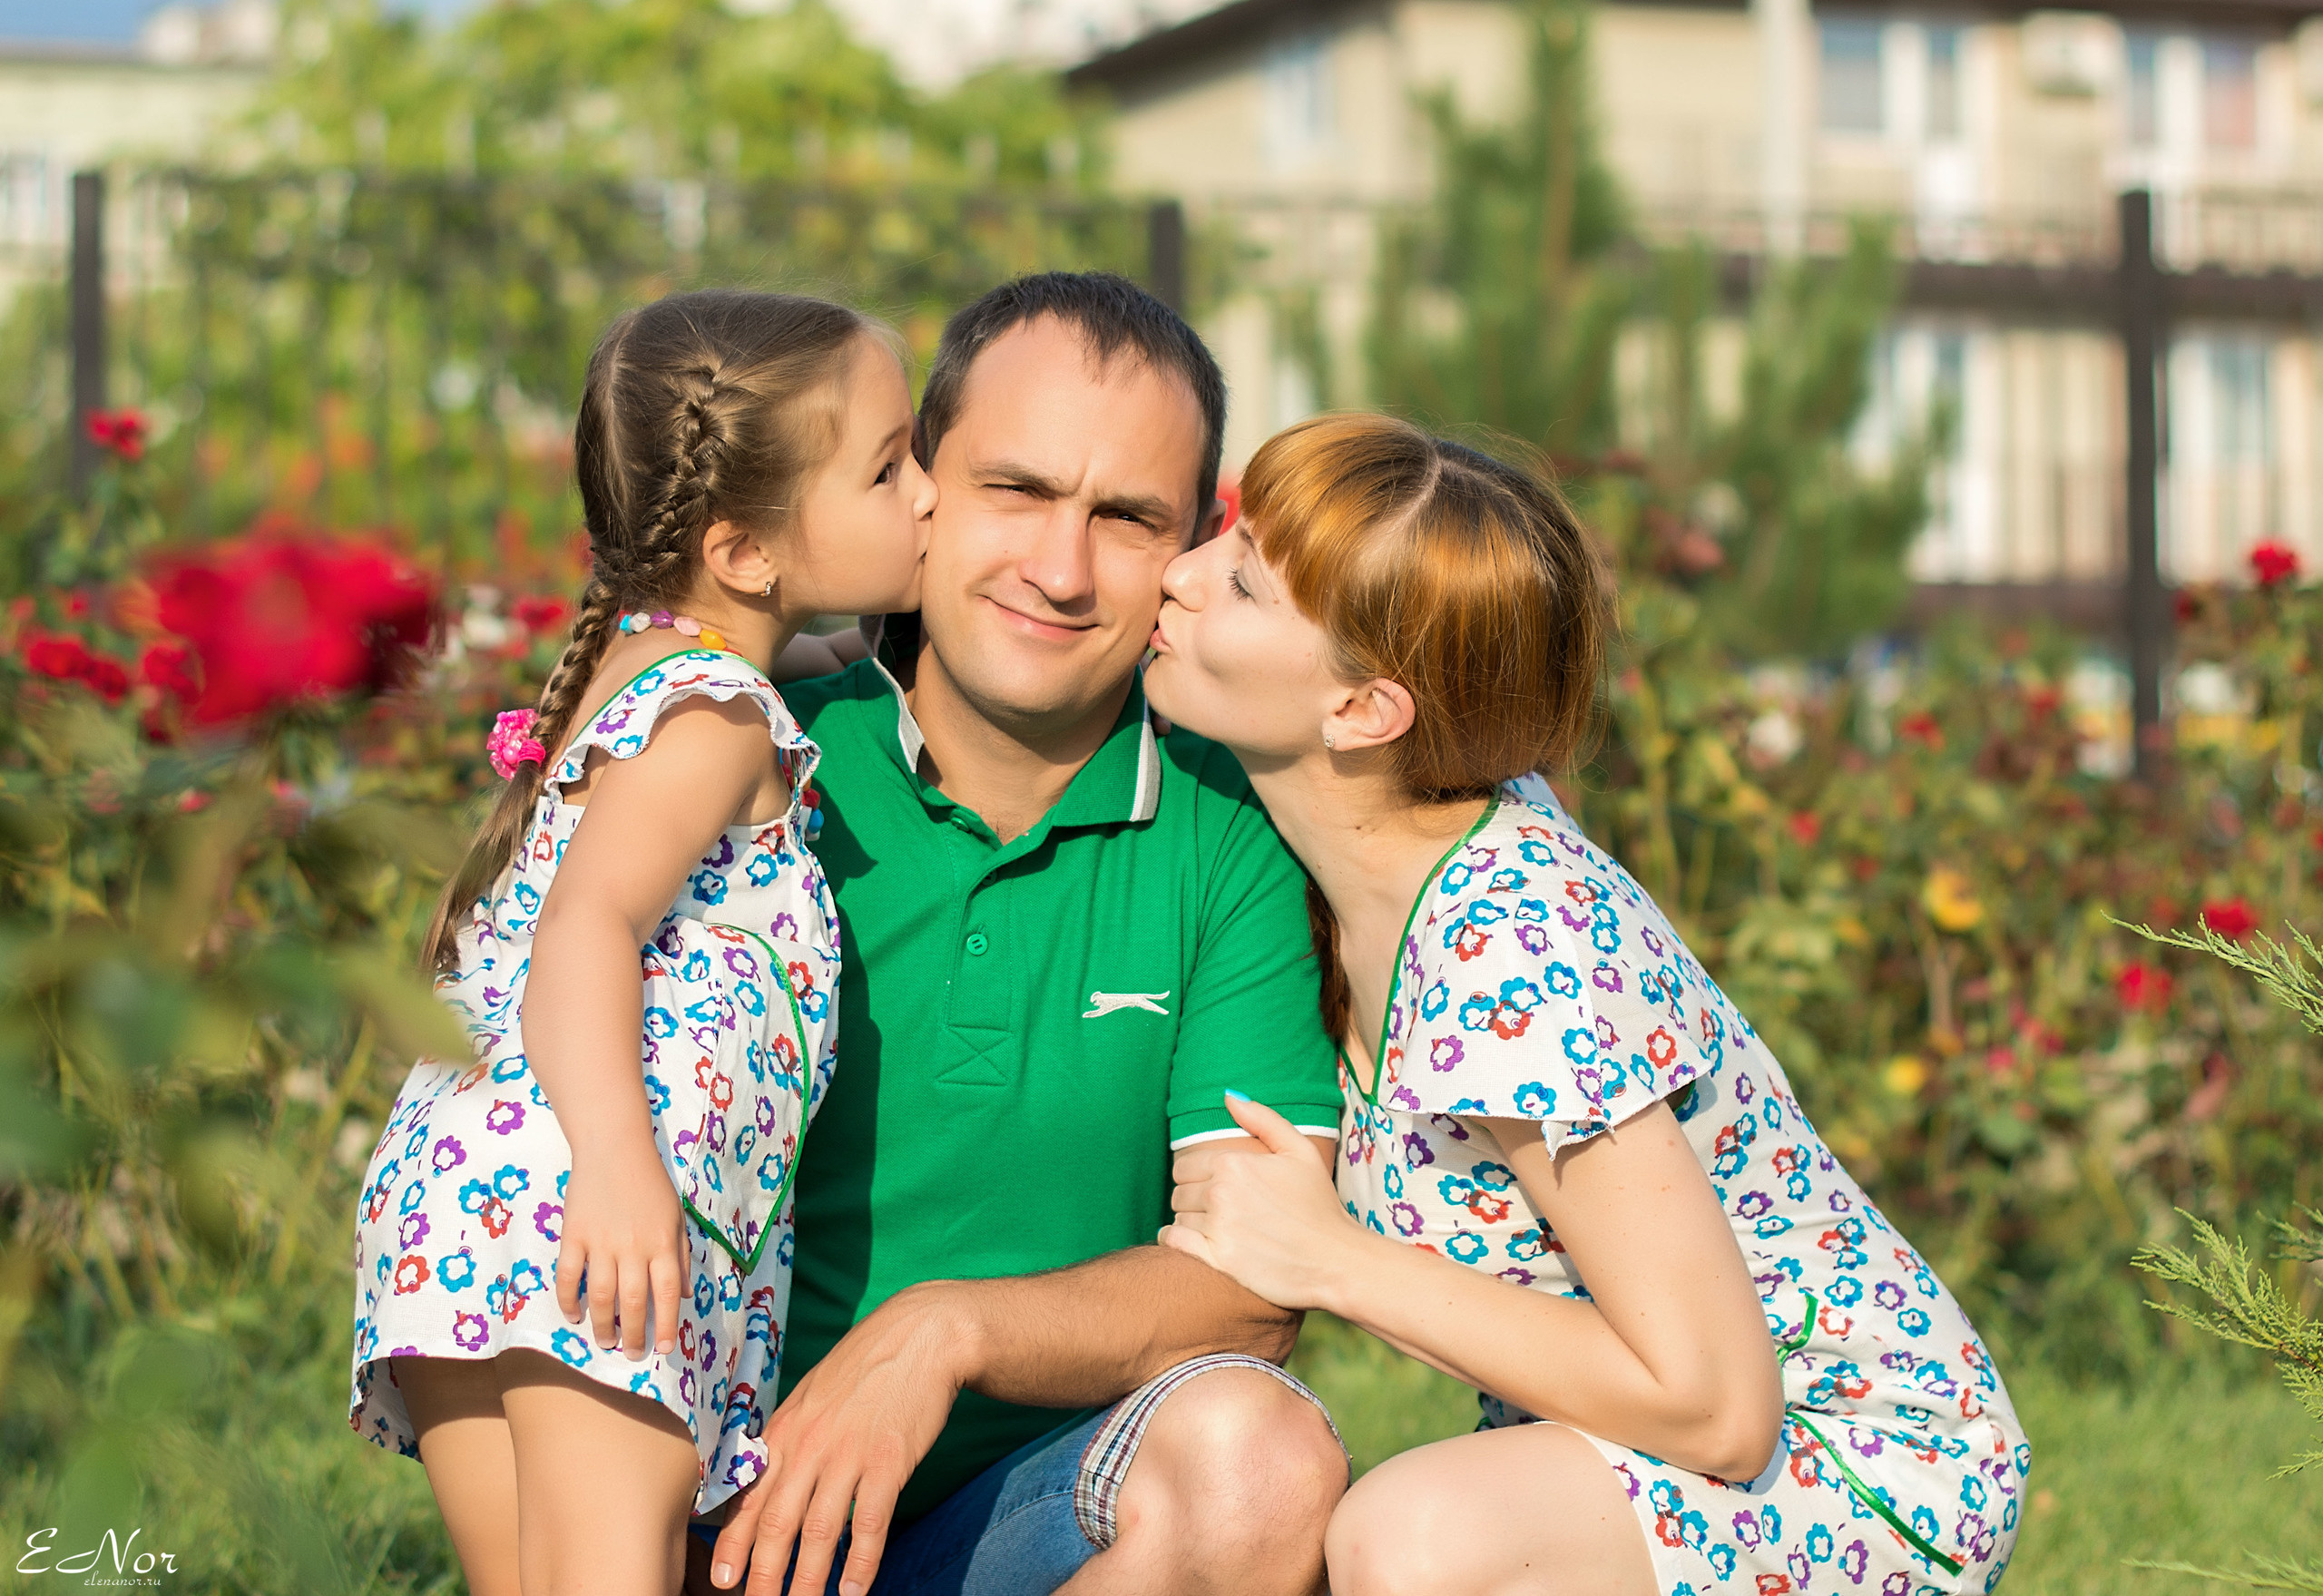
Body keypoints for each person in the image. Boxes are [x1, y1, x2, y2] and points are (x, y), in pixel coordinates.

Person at [1144, 412, 2030, 1596]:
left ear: (1366, 711)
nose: (1181, 574)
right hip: (1675, 1449)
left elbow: (1715, 1407)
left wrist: (1330, 1258)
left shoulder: (1510, 939)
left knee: (1413, 1540)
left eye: (1243, 582)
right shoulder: (1401, 822)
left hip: (1860, 1468)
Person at [699, 274, 1350, 1596]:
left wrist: (943, 1334)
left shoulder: (1232, 825)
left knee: (1256, 1460)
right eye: (1018, 490)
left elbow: (1246, 1286)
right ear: (916, 484)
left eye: (1125, 518)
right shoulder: (746, 755)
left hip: (1022, 1526)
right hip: (717, 1506)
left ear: (1192, 542)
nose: (1061, 570)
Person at [350, 289, 936, 1596]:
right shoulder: (720, 712)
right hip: (592, 1203)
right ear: (742, 550)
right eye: (892, 467)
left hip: (461, 1202)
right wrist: (621, 1171)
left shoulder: (642, 667)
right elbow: (585, 934)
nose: (933, 496)